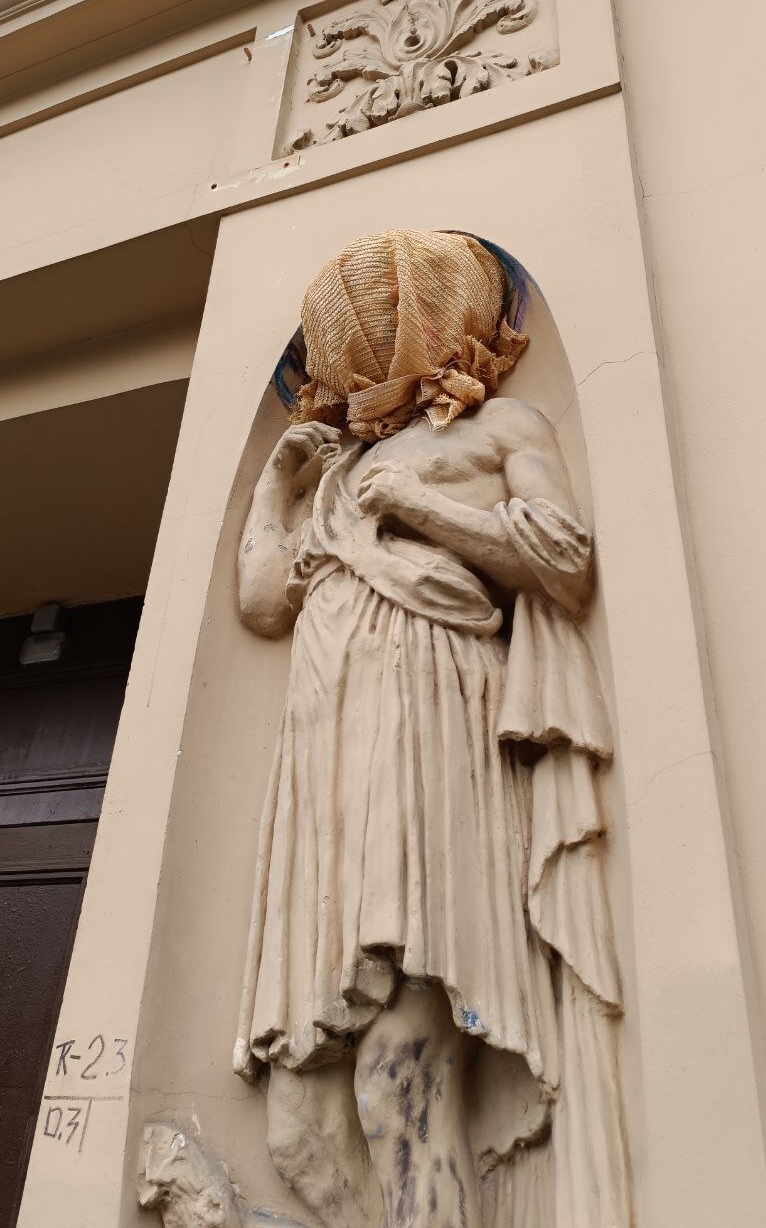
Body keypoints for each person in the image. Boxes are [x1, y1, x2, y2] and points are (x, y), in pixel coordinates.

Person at [234, 231, 629, 1228]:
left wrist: (417, 504)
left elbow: (563, 560)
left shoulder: (502, 425)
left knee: (396, 1077)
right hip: (324, 761)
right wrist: (275, 485)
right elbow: (263, 602)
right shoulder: (339, 470)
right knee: (297, 1127)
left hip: (427, 727)